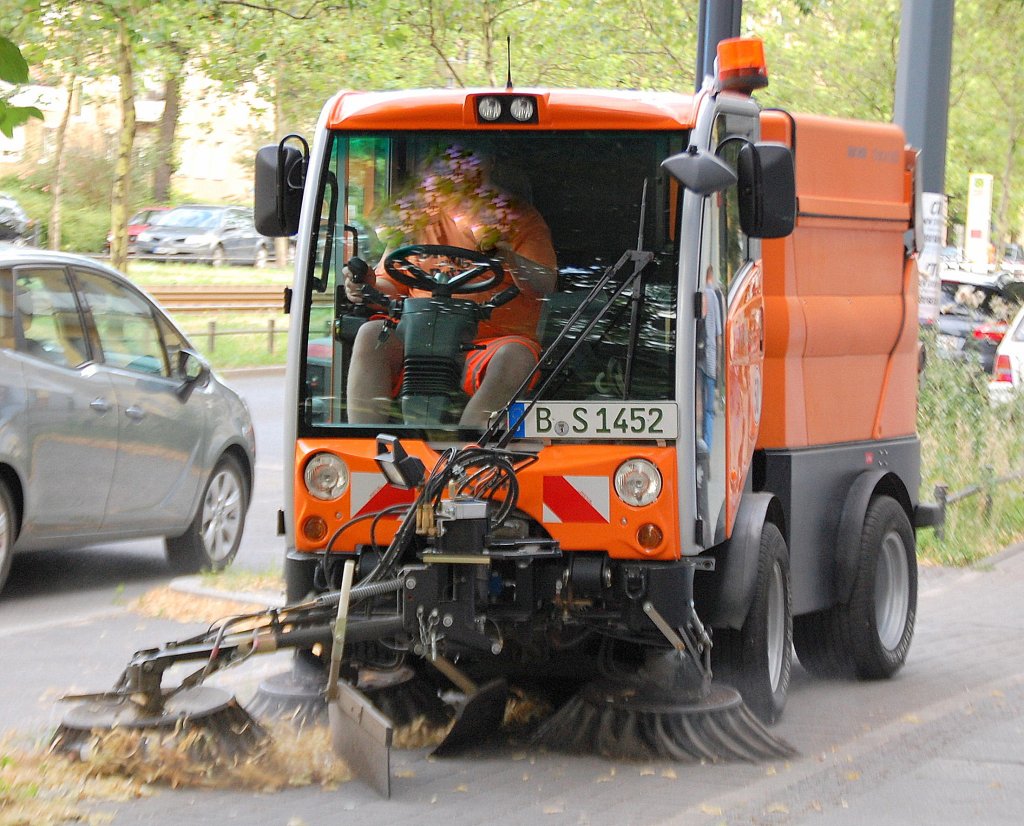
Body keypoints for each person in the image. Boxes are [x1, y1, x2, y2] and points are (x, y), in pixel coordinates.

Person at [344, 147, 557, 427]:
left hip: (488, 343)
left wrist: (505, 253)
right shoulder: (417, 219)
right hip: (418, 335)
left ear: (489, 165)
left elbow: (544, 283)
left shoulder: (518, 219)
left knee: (516, 356)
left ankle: (464, 452)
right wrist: (366, 285)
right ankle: (367, 444)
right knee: (371, 333)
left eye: (467, 161)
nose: (457, 171)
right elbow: (391, 284)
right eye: (446, 163)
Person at [700, 265, 723, 450]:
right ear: (711, 275)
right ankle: (706, 446)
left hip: (694, 362)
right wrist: (718, 363)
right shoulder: (714, 297)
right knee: (708, 409)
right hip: (709, 358)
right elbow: (718, 335)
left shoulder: (695, 293)